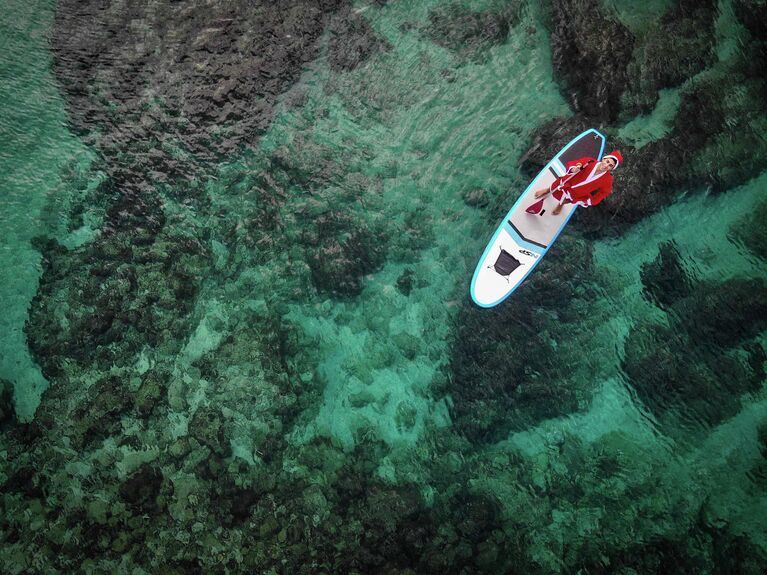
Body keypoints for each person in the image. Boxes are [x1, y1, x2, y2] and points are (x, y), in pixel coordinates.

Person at [528, 151, 623, 215]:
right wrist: (575, 168)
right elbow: (576, 163)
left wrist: (593, 201)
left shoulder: (608, 179)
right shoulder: (590, 161)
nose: (606, 165)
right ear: (603, 159)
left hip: (578, 193)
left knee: (568, 200)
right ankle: (547, 190)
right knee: (555, 186)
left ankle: (560, 205)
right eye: (607, 161)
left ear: (612, 169)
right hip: (568, 182)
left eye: (610, 165)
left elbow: (605, 192)